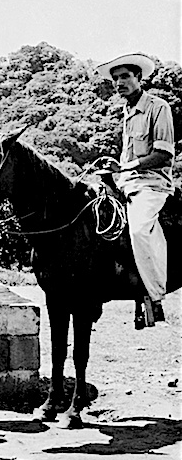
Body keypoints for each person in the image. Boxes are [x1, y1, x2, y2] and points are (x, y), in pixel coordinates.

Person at [95, 53, 175, 323]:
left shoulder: (158, 107)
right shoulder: (126, 111)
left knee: (139, 230)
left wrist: (126, 168)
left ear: (139, 78)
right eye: (116, 78)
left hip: (152, 185)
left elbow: (163, 154)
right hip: (126, 183)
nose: (120, 82)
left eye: (125, 76)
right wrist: (114, 166)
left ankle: (154, 296)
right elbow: (128, 159)